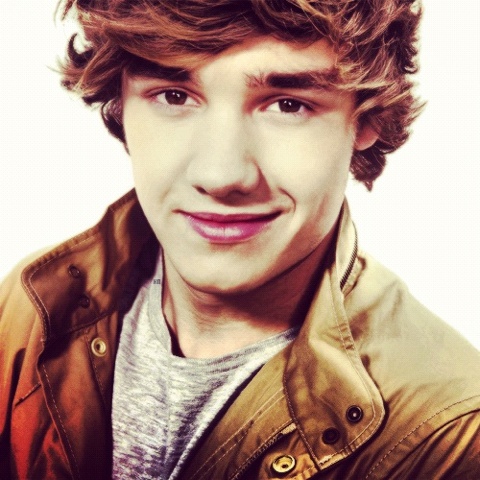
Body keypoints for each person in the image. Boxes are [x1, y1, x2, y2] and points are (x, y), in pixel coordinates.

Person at [1, 0, 479, 478]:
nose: (221, 175)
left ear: (368, 118)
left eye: (288, 105)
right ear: (121, 102)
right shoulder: (33, 305)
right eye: (174, 96)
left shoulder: (447, 434)